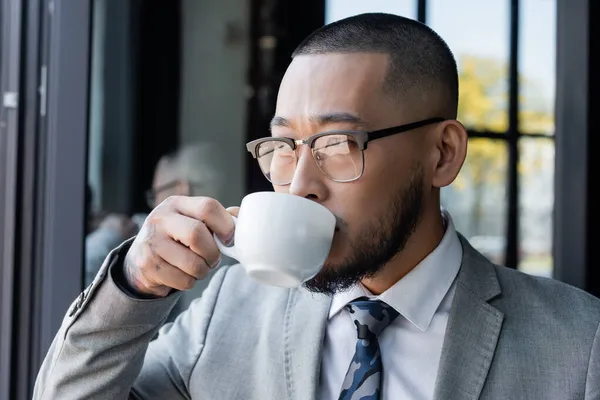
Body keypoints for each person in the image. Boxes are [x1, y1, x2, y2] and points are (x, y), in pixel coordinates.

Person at [34, 13, 599, 400]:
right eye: (283, 147)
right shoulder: (229, 308)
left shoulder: (579, 344)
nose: (300, 184)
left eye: (336, 144)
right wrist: (134, 287)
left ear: (442, 155)